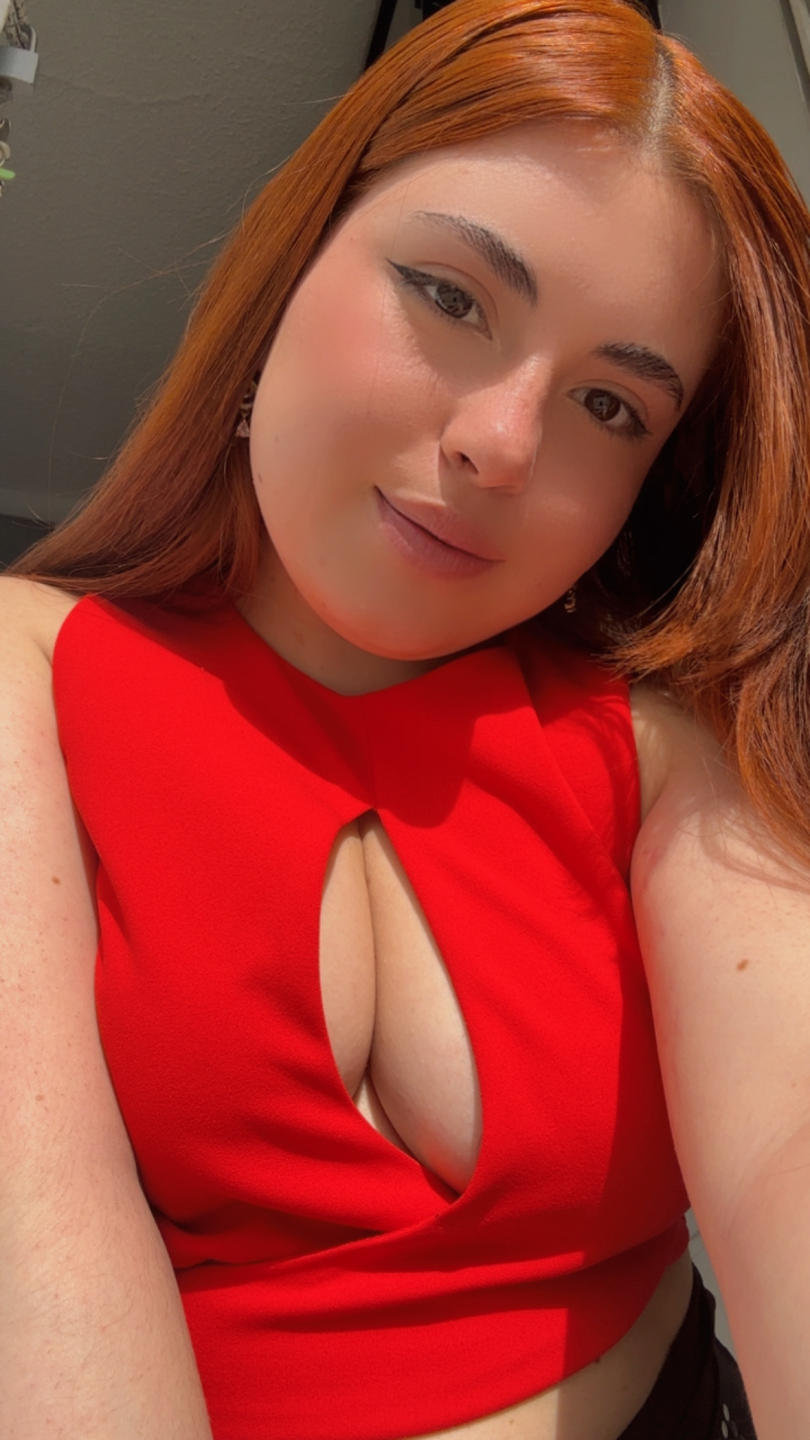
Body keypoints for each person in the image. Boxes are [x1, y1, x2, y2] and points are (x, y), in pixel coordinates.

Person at [2, 0, 810, 1435]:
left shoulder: (658, 737)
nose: (502, 443)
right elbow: (35, 1258)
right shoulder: (29, 672)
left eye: (610, 407)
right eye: (449, 296)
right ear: (292, 260)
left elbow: (787, 1151)